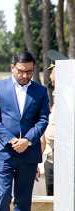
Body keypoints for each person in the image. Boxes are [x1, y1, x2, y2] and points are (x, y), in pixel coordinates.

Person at [0, 52, 50, 211]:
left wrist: (28, 140)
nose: (25, 76)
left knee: (23, 199)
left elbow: (42, 120)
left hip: (28, 153)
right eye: (21, 71)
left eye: (29, 72)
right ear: (12, 67)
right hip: (4, 152)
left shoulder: (40, 91)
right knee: (3, 196)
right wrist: (12, 140)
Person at [41, 65, 56, 196]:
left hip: (62, 159)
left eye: (53, 72)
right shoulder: (56, 98)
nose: (50, 76)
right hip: (51, 159)